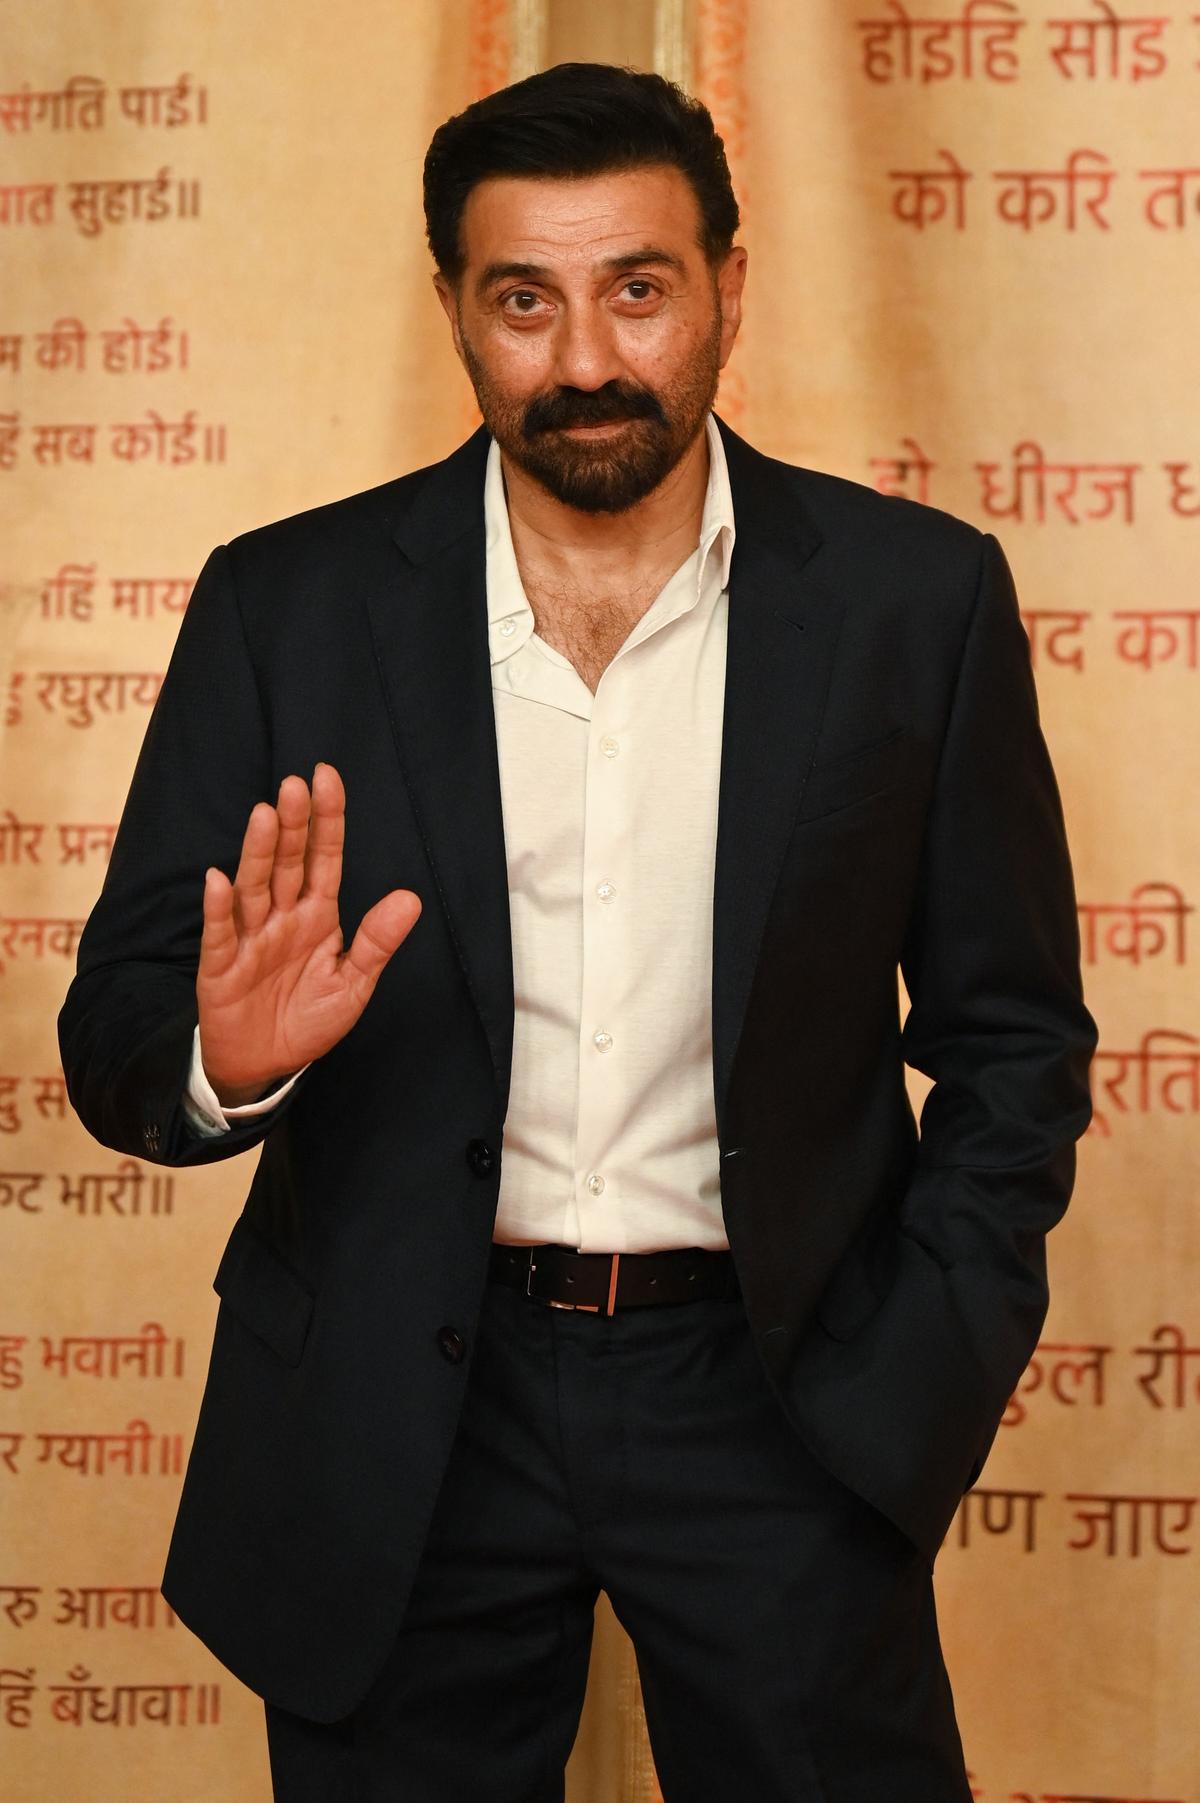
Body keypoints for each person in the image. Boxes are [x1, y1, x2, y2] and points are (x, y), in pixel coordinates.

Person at [59, 61, 1096, 1803]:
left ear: (727, 290)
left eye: (639, 287)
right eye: (523, 299)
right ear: (455, 309)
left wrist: (923, 1363)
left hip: (784, 1395)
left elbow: (1016, 1039)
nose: (589, 357)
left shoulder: (915, 602)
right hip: (402, 1406)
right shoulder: (285, 604)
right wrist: (216, 1068)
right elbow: (121, 1032)